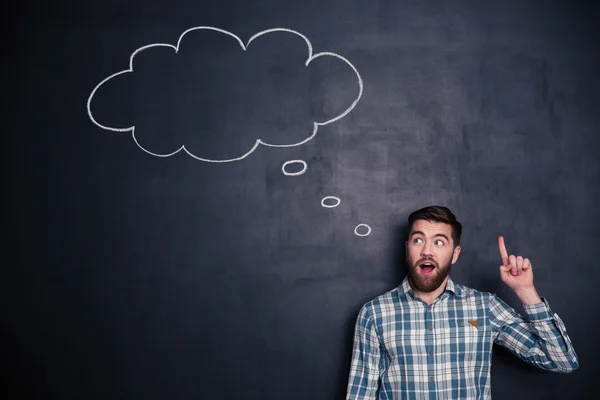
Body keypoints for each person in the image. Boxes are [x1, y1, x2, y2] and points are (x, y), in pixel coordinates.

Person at [345, 205, 579, 399]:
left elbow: (562, 362)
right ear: (408, 249)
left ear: (454, 254)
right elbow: (360, 394)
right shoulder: (374, 313)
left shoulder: (484, 307)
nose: (427, 251)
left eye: (439, 242)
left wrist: (526, 291)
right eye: (418, 240)